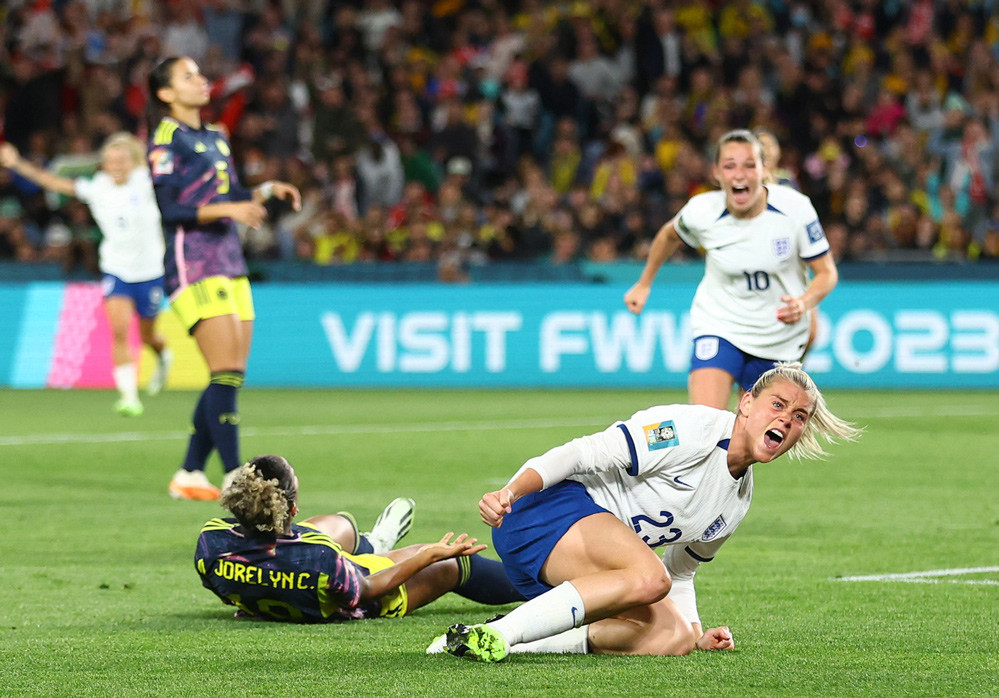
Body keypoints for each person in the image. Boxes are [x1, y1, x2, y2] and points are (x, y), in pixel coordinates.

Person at [430, 363, 860, 661]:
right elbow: (582, 452)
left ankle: (508, 637)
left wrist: (695, 632)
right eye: (778, 405)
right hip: (540, 514)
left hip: (567, 573)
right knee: (650, 577)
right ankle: (505, 632)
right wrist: (510, 491)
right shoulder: (691, 429)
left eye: (799, 416)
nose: (786, 420)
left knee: (673, 637)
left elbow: (683, 573)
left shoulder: (737, 502)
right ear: (747, 403)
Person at [146, 56, 302, 501]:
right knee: (226, 371)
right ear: (166, 93)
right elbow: (170, 209)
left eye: (199, 73)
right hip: (193, 263)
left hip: (230, 261)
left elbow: (229, 193)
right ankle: (236, 475)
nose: (201, 81)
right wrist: (231, 209)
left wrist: (266, 190)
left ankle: (190, 472)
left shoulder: (216, 136)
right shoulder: (165, 139)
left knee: (230, 374)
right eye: (188, 76)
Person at [623, 129, 839, 410]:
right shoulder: (702, 210)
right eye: (729, 166)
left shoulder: (796, 209)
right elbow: (668, 235)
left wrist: (804, 303)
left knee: (749, 435)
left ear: (765, 169)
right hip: (720, 324)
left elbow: (827, 272)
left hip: (777, 336)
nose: (739, 175)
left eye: (749, 165)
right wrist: (644, 283)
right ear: (716, 173)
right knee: (705, 420)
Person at [196, 454, 525, 623]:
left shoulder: (212, 541)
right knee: (456, 565)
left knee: (340, 525)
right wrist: (428, 555)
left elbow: (223, 590)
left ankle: (373, 542)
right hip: (356, 589)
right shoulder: (320, 556)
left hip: (290, 567)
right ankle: (542, 585)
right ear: (292, 508)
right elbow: (365, 591)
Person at [0, 134, 172, 417]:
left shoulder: (145, 181)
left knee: (148, 336)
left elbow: (167, 160)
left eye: (122, 160)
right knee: (119, 331)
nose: (117, 166)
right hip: (117, 270)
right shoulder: (98, 188)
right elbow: (53, 182)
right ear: (104, 164)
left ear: (133, 162)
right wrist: (17, 163)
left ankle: (163, 355)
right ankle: (129, 397)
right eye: (111, 161)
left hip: (150, 271)